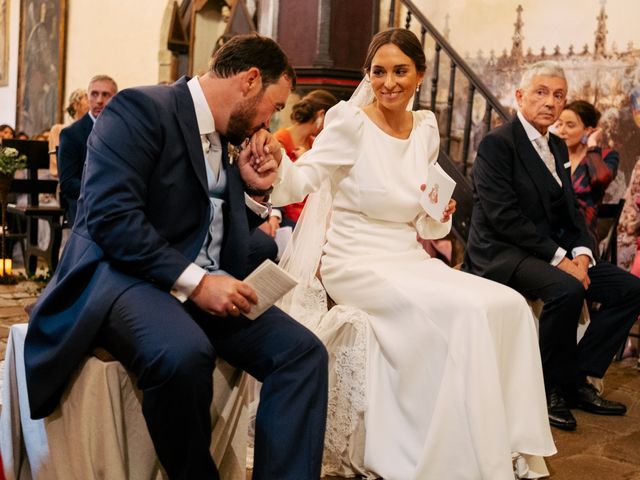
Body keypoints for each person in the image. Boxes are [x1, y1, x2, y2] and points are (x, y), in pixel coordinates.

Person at [24, 34, 328, 479]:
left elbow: (202, 215)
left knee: (303, 354)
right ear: (250, 81)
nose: (272, 119)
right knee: (183, 354)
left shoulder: (228, 135)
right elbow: (111, 218)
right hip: (127, 276)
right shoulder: (140, 110)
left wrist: (252, 191)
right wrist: (199, 283)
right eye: (274, 105)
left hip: (198, 280)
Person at [267, 28, 555, 479]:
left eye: (400, 71)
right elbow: (301, 179)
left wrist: (439, 211)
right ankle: (454, 454)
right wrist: (270, 166)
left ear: (420, 74)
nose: (389, 82)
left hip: (408, 257)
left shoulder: (425, 129)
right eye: (378, 72)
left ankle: (506, 446)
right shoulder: (350, 122)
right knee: (466, 314)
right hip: (354, 262)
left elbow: (425, 220)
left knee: (510, 305)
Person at [463, 60, 640, 432]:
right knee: (567, 288)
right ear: (520, 96)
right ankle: (546, 390)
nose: (550, 102)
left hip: (548, 250)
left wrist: (581, 253)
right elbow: (504, 218)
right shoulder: (498, 144)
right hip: (501, 252)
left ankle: (577, 378)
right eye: (541, 92)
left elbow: (571, 213)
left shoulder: (556, 144)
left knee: (629, 289)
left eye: (558, 95)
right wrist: (561, 259)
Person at [555, 100, 619, 247]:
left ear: (588, 130)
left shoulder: (605, 156)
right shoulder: (554, 156)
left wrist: (592, 145)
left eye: (570, 125)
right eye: (559, 124)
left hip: (582, 239)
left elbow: (601, 180)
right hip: (550, 237)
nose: (562, 130)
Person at [58, 75, 118, 225]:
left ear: (115, 98)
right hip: (84, 202)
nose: (99, 100)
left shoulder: (124, 131)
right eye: (94, 94)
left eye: (106, 95)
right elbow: (68, 183)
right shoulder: (71, 134)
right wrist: (100, 191)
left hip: (118, 201)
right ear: (88, 96)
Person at [274, 89, 338, 223]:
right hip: (285, 208)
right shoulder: (280, 140)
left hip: (310, 209)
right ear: (321, 114)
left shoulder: (314, 143)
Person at [48, 88, 89, 178]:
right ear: (75, 105)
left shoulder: (95, 130)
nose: (92, 101)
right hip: (68, 181)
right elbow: (57, 165)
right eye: (86, 97)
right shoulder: (59, 130)